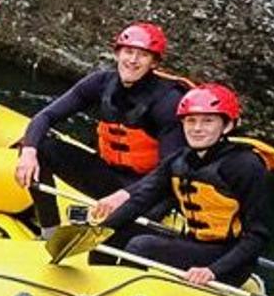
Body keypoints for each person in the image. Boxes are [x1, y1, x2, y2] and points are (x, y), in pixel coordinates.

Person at [91, 83, 274, 285]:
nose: (197, 128)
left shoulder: (245, 165)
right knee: (116, 233)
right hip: (192, 244)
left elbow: (257, 235)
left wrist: (212, 271)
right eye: (191, 121)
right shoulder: (179, 160)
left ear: (227, 126)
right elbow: (140, 200)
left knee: (141, 246)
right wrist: (95, 233)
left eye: (208, 121)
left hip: (228, 260)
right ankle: (90, 291)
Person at [15, 20, 185, 198]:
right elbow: (46, 116)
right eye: (128, 52)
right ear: (117, 54)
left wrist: (124, 196)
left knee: (128, 217)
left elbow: (167, 171)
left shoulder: (168, 101)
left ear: (154, 63)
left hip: (145, 188)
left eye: (143, 55)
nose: (133, 60)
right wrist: (29, 151)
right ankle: (49, 225)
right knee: (39, 146)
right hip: (106, 173)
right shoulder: (100, 83)